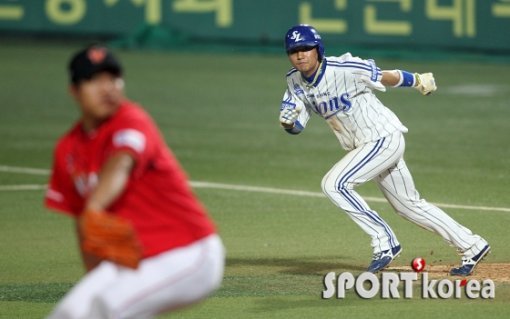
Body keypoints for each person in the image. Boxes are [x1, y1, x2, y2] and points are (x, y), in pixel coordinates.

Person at [279, 24, 490, 276]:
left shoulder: (344, 68)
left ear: (318, 49)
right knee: (408, 205)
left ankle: (385, 242)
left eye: (306, 48)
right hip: (368, 146)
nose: (300, 55)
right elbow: (296, 125)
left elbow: (383, 76)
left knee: (334, 184)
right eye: (294, 51)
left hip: (382, 137)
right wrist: (289, 122)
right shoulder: (294, 81)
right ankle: (472, 245)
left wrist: (417, 80)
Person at [44, 45, 225, 318]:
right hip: (136, 259)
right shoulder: (67, 149)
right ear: (74, 91)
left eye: (112, 79)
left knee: (110, 307)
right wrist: (96, 278)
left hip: (190, 252)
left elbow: (121, 163)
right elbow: (84, 228)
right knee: (70, 312)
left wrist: (94, 205)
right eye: (94, 80)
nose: (107, 88)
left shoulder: (132, 120)